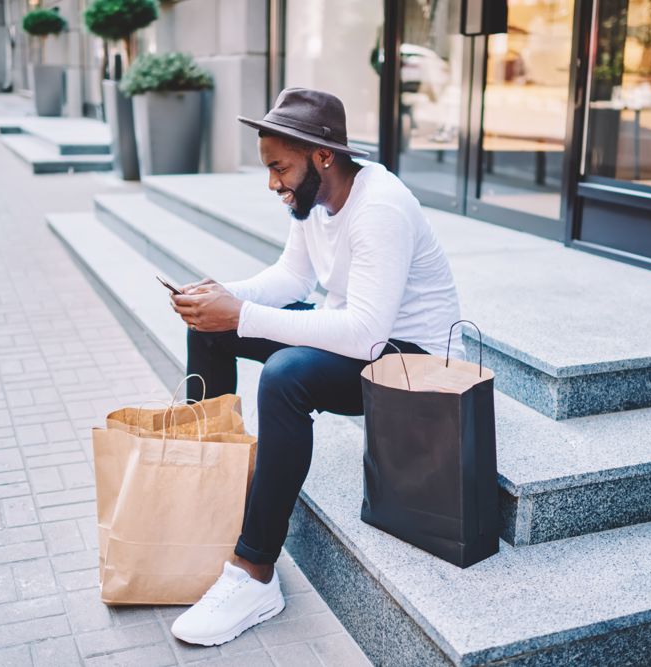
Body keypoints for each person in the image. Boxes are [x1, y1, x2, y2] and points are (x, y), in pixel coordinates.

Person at [167, 87, 462, 646]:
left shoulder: (380, 207)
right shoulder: (313, 198)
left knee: (285, 378)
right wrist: (219, 298)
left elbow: (366, 334)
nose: (273, 182)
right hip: (361, 337)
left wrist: (246, 314)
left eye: (279, 167)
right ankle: (211, 494)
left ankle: (255, 573)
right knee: (210, 328)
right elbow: (291, 280)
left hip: (413, 365)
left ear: (322, 156)